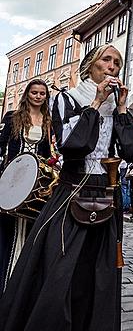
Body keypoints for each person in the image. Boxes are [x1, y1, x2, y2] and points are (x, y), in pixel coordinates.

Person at [0, 45, 133, 331]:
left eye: (117, 63)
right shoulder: (66, 100)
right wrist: (94, 104)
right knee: (60, 269)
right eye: (107, 60)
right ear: (91, 65)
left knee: (99, 273)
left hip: (106, 194)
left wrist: (120, 109)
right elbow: (75, 146)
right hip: (72, 192)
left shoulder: (116, 107)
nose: (112, 67)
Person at [0, 79, 53, 294]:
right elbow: (2, 145)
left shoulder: (49, 121)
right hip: (12, 180)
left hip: (35, 183)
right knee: (8, 230)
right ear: (27, 94)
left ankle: (23, 288)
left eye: (42, 93)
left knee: (32, 230)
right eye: (34, 92)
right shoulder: (13, 118)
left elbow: (48, 154)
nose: (38, 96)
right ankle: (5, 283)